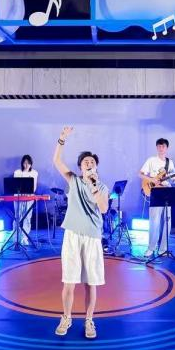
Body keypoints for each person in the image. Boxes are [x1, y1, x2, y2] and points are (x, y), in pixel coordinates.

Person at [52, 127, 108, 339]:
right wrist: (62, 139)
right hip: (73, 235)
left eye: (92, 162)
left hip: (92, 237)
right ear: (80, 167)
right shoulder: (73, 180)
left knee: (91, 283)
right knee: (69, 282)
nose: (89, 163)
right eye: (85, 161)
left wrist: (94, 186)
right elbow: (57, 161)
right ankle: (66, 317)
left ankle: (89, 320)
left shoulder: (102, 187)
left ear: (96, 167)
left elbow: (103, 208)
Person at [138, 138, 175, 258]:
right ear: (156, 147)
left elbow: (173, 179)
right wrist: (151, 179)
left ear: (167, 148)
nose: (161, 148)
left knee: (167, 220)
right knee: (154, 221)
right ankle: (151, 248)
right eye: (159, 146)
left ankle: (163, 249)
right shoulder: (151, 160)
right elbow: (140, 174)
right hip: (156, 191)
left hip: (167, 191)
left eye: (163, 146)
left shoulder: (170, 162)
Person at [14, 154, 38, 245]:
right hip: (18, 197)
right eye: (25, 163)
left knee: (27, 217)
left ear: (31, 164)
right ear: (22, 163)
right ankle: (16, 237)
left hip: (29, 197)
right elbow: (16, 185)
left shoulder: (34, 173)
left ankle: (25, 237)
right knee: (18, 216)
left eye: (28, 163)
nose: (26, 165)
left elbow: (34, 187)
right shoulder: (17, 172)